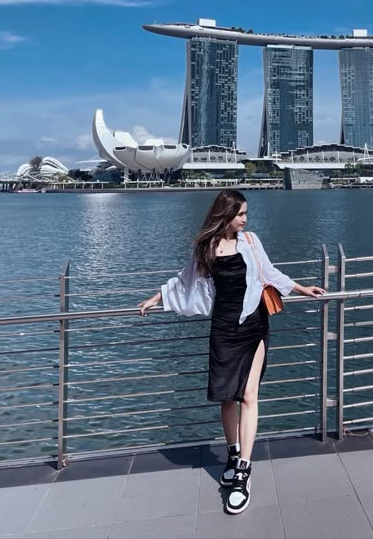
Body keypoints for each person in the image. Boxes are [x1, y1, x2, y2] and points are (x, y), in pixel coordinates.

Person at [138, 189, 325, 514]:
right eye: (240, 214)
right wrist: (156, 298)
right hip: (224, 328)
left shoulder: (250, 241)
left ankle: (243, 471)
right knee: (228, 397)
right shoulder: (206, 248)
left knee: (249, 395)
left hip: (254, 324)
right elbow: (184, 282)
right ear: (225, 215)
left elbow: (269, 273)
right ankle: (233, 452)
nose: (245, 220)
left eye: (246, 214)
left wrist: (301, 288)